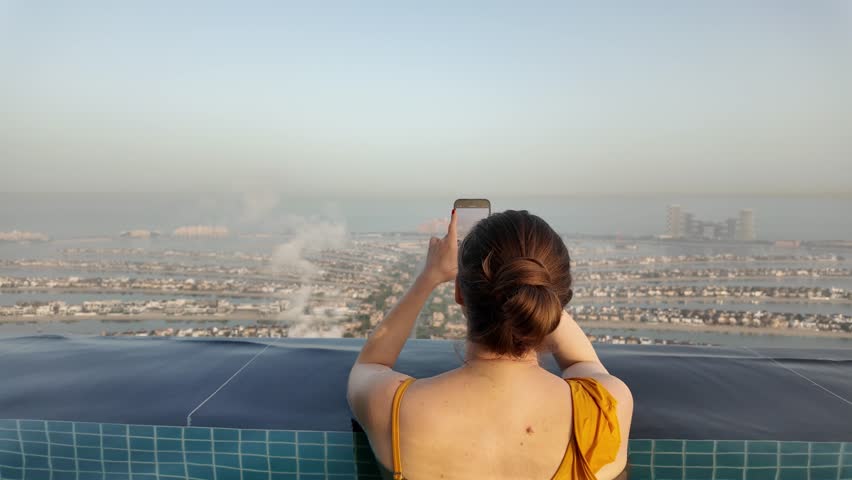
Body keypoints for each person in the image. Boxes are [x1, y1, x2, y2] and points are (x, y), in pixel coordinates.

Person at [348, 209, 633, 480]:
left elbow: (370, 365)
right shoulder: (606, 407)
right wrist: (537, 287)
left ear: (460, 293)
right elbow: (580, 362)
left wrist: (429, 276)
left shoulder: (393, 409)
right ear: (554, 300)